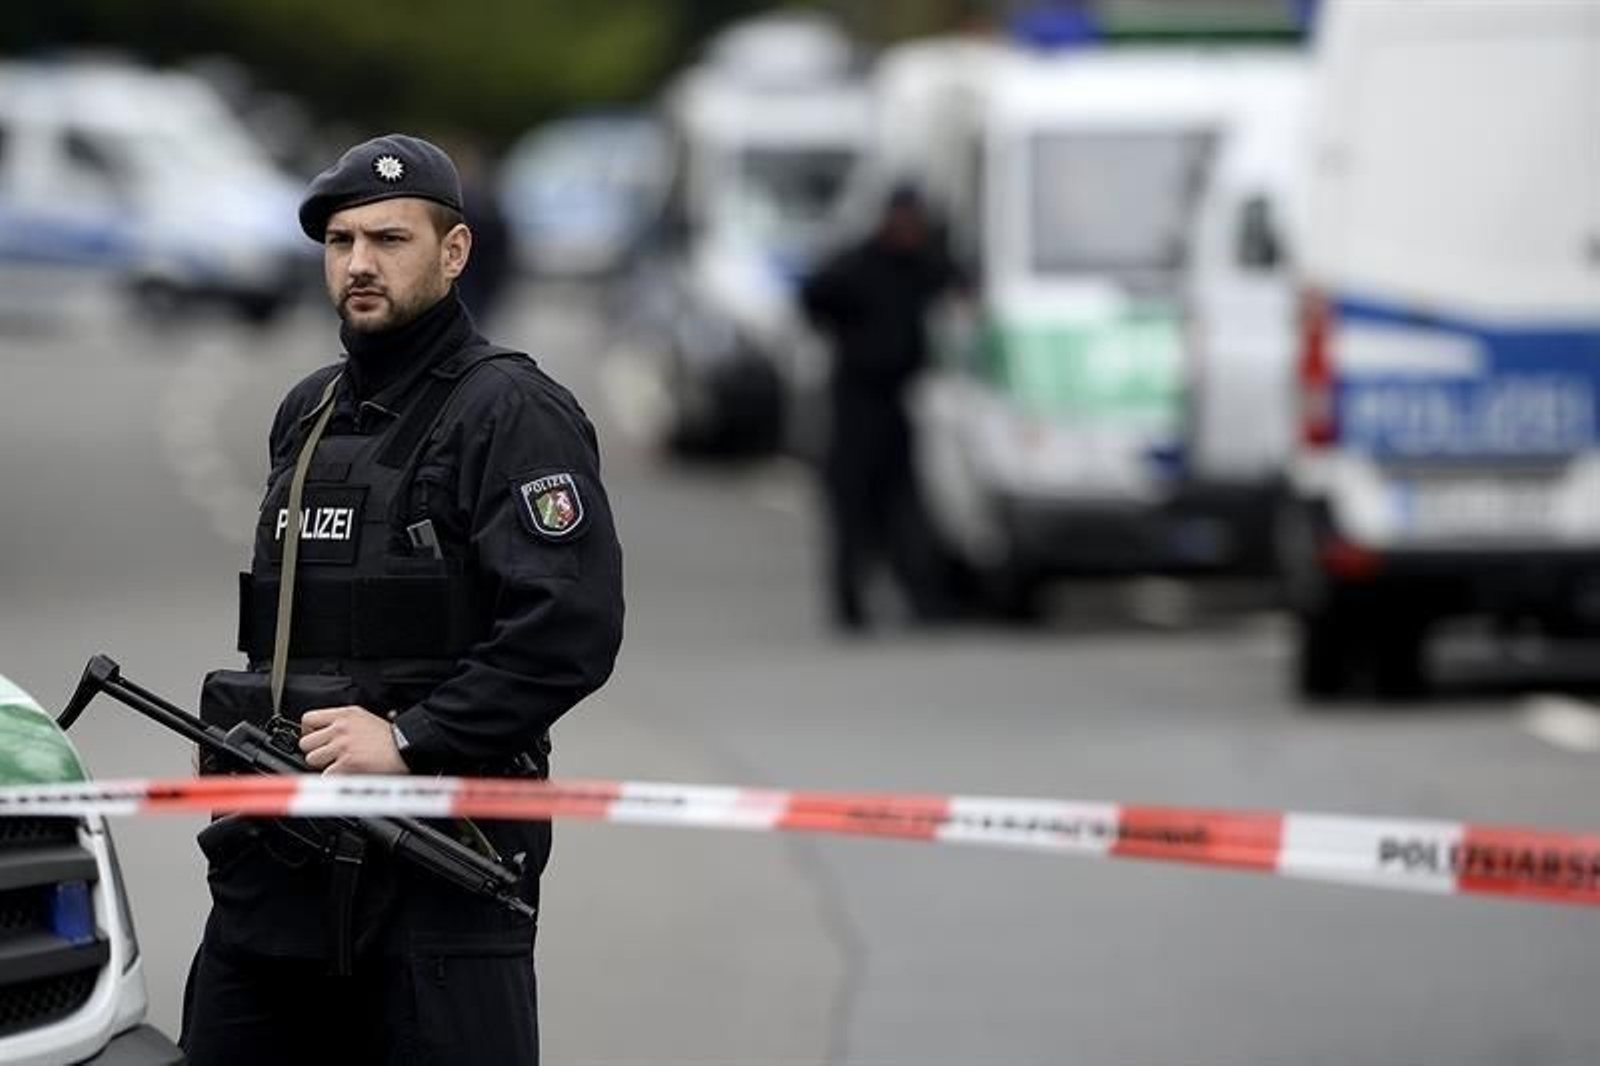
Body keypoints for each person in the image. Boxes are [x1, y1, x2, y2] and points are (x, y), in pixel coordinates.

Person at [179, 133, 625, 1065]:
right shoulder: (307, 413)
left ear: (453, 252)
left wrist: (411, 737)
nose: (359, 264)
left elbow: (567, 629)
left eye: (389, 239)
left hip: (437, 865)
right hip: (281, 863)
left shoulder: (510, 410)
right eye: (340, 244)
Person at [799, 184, 961, 631]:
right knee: (851, 510)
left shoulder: (920, 265)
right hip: (856, 405)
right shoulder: (858, 264)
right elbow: (814, 296)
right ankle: (850, 604)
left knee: (904, 510)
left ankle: (921, 599)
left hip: (898, 404)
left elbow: (955, 283)